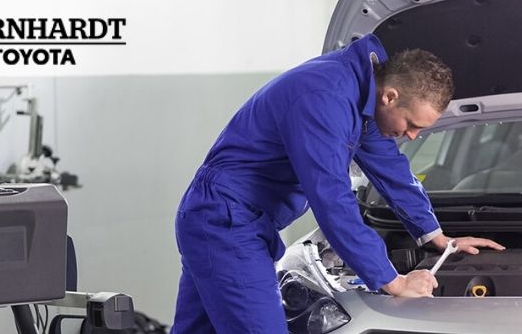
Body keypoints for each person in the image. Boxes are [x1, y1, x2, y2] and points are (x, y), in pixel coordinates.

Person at [172, 34, 504, 333]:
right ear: (390, 96)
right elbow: (332, 199)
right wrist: (392, 281)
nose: (413, 136)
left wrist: (436, 237)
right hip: (226, 221)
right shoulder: (324, 99)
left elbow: (390, 166)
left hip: (229, 219)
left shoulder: (363, 95)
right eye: (411, 124)